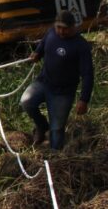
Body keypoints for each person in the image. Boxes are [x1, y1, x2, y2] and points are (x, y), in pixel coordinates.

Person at [20, 10, 94, 150]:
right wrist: (37, 53)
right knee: (26, 102)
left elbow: (88, 74)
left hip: (63, 93)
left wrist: (84, 99)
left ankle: (55, 157)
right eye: (58, 27)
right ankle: (42, 126)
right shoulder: (51, 33)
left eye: (65, 28)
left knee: (57, 129)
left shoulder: (81, 45)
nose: (61, 31)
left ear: (73, 27)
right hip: (43, 83)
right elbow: (42, 46)